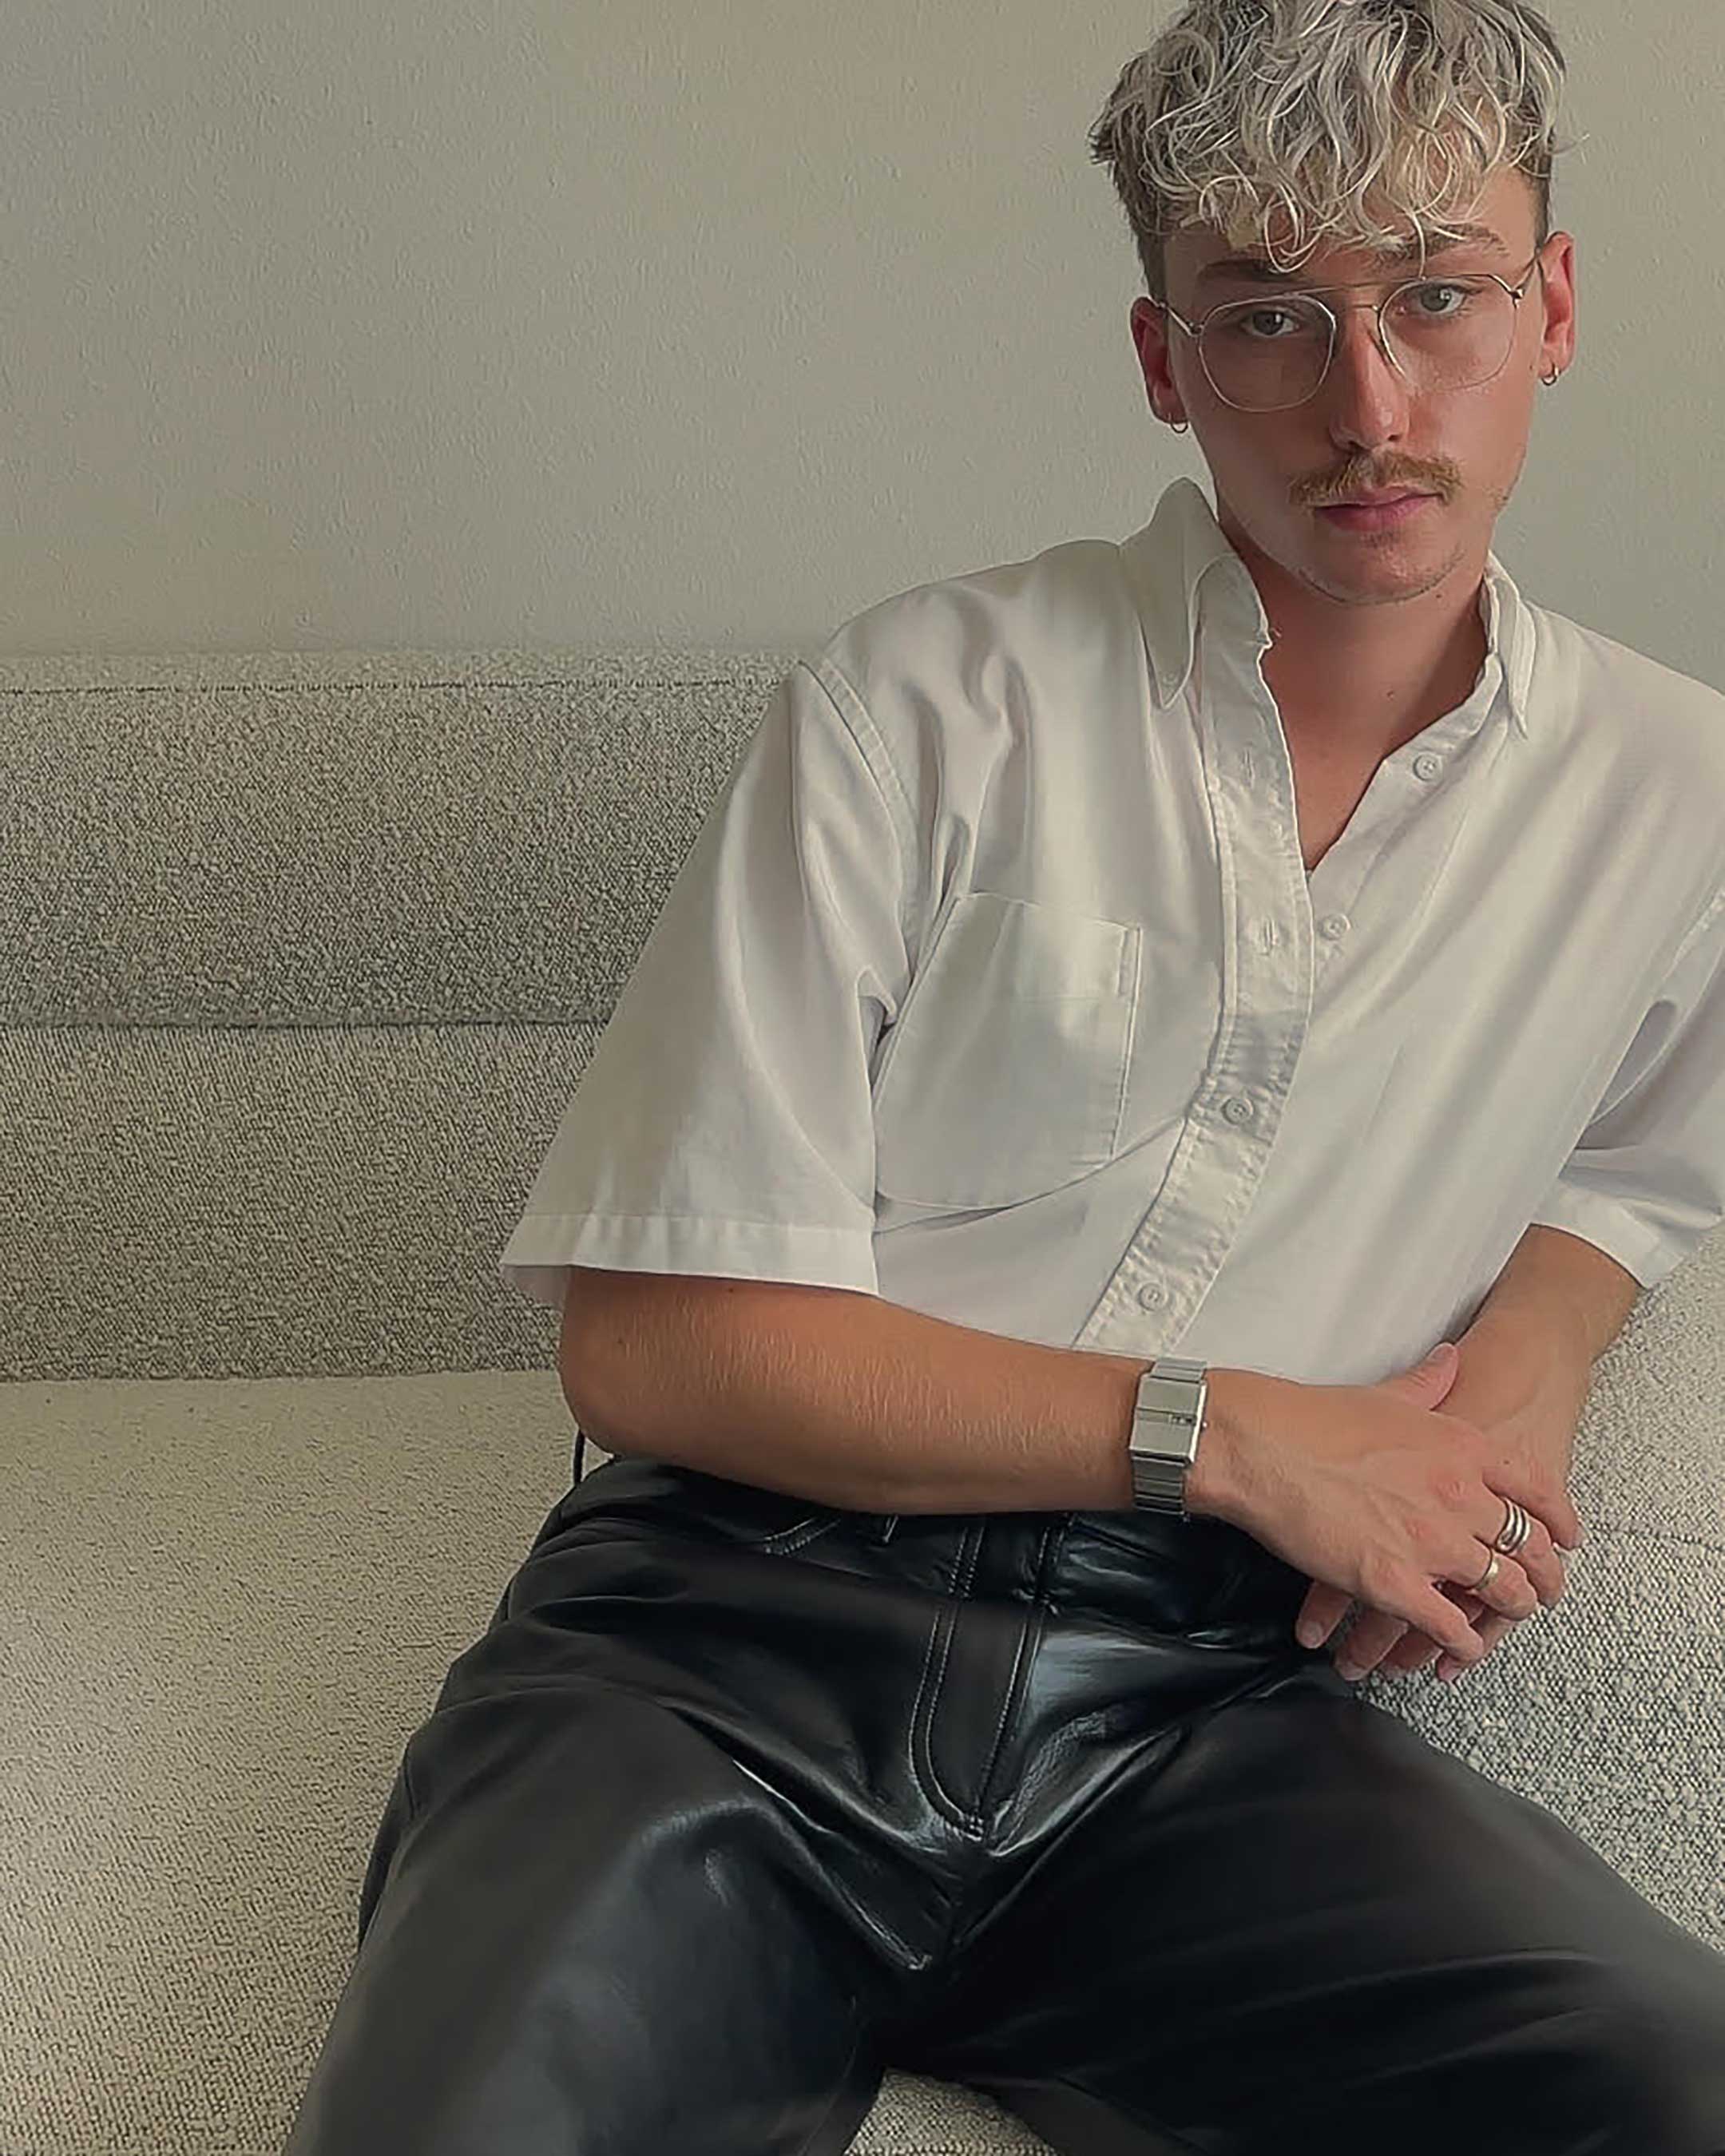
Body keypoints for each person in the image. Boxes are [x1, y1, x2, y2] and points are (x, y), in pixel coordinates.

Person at [284, 4, 1725, 2151]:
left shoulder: (1678, 793)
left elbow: (1639, 1166)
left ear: (1557, 304)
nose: (1370, 403)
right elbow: (652, 1343)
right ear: (1162, 358)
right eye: (1270, 318)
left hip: (1197, 1721)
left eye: (1439, 294)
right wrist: (1231, 1431)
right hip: (715, 1657)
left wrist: (1526, 1368)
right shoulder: (921, 708)